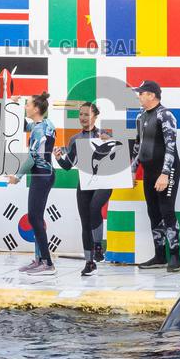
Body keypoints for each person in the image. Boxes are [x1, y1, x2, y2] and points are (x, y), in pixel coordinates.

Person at [130, 80, 180, 272]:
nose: (138, 96)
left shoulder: (166, 115)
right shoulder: (141, 116)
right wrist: (133, 169)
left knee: (167, 211)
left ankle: (175, 255)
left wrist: (165, 174)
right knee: (153, 212)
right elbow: (138, 145)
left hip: (166, 170)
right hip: (149, 172)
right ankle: (159, 256)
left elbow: (171, 145)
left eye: (141, 93)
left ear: (151, 95)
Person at [54, 102, 111, 276]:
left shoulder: (105, 134)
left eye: (86, 114)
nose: (83, 118)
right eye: (80, 115)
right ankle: (89, 262)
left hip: (103, 183)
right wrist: (58, 158)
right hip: (84, 184)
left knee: (95, 208)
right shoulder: (75, 139)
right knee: (85, 222)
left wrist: (108, 142)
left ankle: (98, 246)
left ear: (95, 115)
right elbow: (66, 165)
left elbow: (118, 157)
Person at [6, 91, 57, 276]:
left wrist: (17, 177)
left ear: (36, 108)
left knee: (35, 219)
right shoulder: (44, 124)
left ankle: (48, 263)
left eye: (27, 104)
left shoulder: (40, 129)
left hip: (42, 176)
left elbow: (32, 158)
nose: (25, 106)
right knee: (35, 218)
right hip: (43, 175)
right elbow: (21, 125)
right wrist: (14, 106)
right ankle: (40, 259)